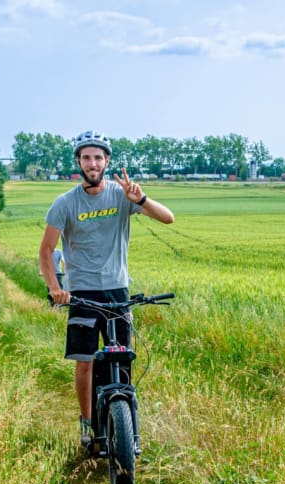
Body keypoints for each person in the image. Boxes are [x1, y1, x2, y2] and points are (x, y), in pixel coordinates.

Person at [38, 130, 175, 449]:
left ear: (107, 161)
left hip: (117, 292)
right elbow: (47, 250)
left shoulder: (121, 195)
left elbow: (168, 218)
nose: (92, 163)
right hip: (82, 293)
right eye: (86, 157)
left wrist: (140, 199)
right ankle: (87, 424)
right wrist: (56, 288)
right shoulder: (65, 203)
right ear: (79, 162)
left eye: (98, 157)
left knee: (123, 360)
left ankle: (126, 427)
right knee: (85, 361)